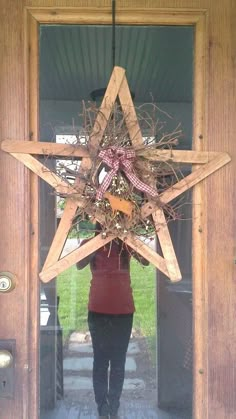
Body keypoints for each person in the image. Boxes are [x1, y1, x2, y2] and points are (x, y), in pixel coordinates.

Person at [76, 223, 149, 419]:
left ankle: (114, 406)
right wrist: (96, 241)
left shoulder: (126, 244)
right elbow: (78, 263)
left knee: (118, 361)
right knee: (100, 361)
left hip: (123, 310)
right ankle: (102, 407)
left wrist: (128, 238)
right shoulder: (91, 243)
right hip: (98, 309)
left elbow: (146, 260)